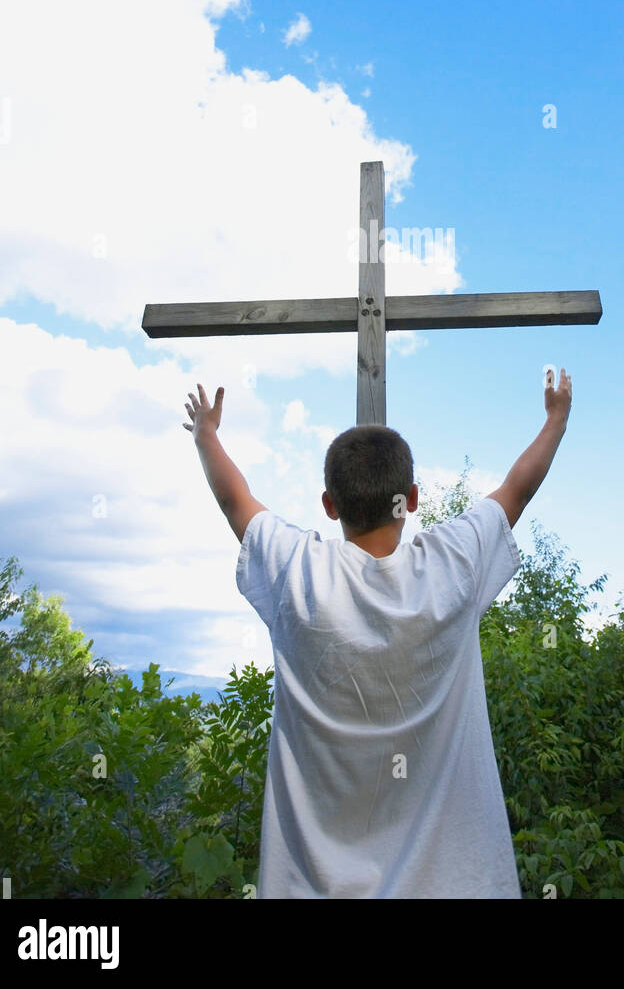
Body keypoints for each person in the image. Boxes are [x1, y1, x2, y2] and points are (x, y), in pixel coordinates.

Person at [183, 367, 572, 899]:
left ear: (329, 505)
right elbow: (517, 490)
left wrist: (207, 435)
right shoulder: (452, 565)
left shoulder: (298, 572)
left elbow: (236, 502)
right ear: (411, 497)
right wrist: (556, 419)